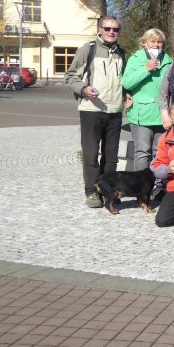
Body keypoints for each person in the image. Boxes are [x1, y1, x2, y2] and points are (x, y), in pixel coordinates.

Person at [65, 16, 126, 208]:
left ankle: (108, 190)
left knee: (111, 156)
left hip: (115, 111)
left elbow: (124, 80)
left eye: (115, 29)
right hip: (91, 110)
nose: (111, 32)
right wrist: (83, 89)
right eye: (107, 28)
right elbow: (70, 76)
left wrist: (128, 94)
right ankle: (91, 191)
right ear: (99, 29)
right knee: (91, 154)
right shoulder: (88, 49)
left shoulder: (122, 53)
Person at [122, 28, 173, 173]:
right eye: (153, 41)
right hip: (141, 115)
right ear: (145, 43)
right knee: (142, 152)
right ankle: (141, 188)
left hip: (162, 114)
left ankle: (157, 184)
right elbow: (127, 83)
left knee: (160, 152)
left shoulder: (169, 61)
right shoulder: (135, 59)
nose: (156, 45)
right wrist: (146, 69)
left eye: (160, 42)